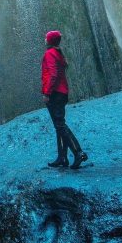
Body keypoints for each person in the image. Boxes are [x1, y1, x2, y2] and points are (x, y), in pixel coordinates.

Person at [41, 29, 88, 170]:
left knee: (60, 125)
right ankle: (62, 157)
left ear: (49, 41)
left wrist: (47, 93)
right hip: (62, 92)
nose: (44, 39)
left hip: (55, 93)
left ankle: (78, 152)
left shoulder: (50, 54)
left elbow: (53, 74)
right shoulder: (58, 54)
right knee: (59, 125)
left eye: (46, 38)